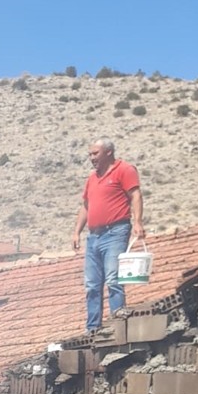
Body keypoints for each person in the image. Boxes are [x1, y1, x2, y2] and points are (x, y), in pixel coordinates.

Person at [72, 137, 145, 332]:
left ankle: (118, 322)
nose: (91, 158)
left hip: (115, 232)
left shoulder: (124, 170)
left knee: (113, 279)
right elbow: (86, 206)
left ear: (108, 152)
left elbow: (135, 195)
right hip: (94, 235)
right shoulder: (92, 178)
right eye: (90, 154)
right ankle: (93, 327)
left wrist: (137, 222)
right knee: (92, 284)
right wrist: (77, 232)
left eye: (95, 153)